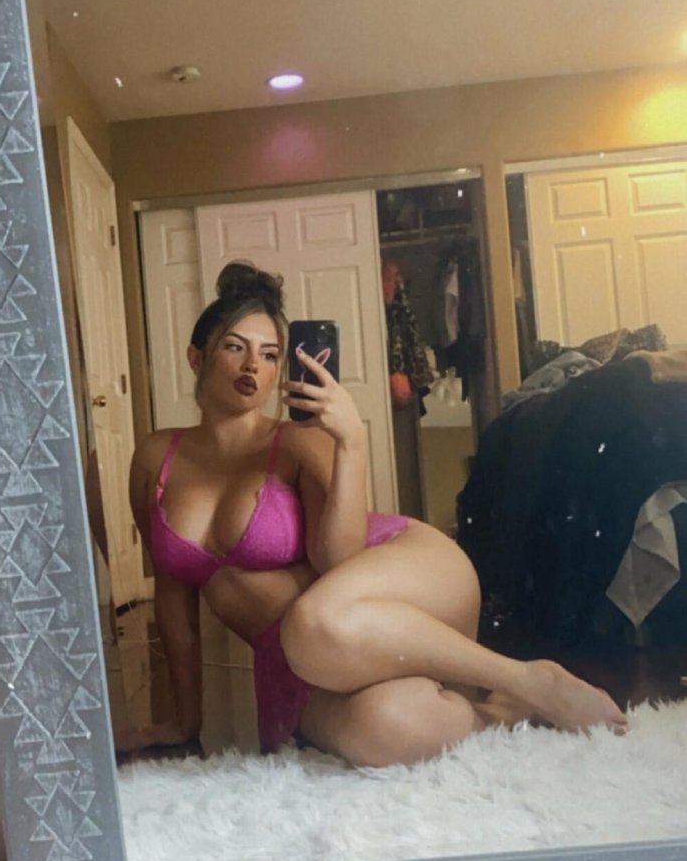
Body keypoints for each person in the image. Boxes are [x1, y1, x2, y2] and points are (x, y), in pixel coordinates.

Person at [129, 262, 629, 768]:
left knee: (312, 624)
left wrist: (352, 442)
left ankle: (529, 680)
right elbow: (172, 594)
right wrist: (185, 721)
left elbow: (339, 561)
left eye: (270, 354)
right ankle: (499, 711)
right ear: (197, 357)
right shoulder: (156, 458)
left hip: (396, 575)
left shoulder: (298, 442)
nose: (252, 366)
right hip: (304, 656)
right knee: (386, 728)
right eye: (235, 347)